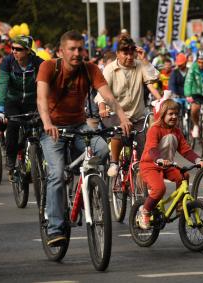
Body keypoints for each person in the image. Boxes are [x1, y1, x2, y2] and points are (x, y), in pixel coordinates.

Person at [36, 30, 132, 246]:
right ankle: (54, 228)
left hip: (79, 125)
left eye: (80, 48)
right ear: (61, 51)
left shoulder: (90, 69)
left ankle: (87, 185)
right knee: (57, 174)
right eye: (72, 49)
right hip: (53, 129)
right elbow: (41, 98)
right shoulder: (49, 67)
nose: (77, 53)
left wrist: (123, 117)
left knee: (103, 150)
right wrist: (47, 123)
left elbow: (108, 96)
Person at [94, 34, 161, 177]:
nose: (130, 57)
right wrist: (102, 107)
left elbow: (154, 77)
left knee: (145, 149)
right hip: (114, 115)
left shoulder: (140, 65)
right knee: (119, 131)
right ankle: (114, 162)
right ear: (118, 54)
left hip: (137, 116)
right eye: (125, 53)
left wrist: (144, 59)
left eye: (132, 53)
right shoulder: (110, 69)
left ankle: (144, 188)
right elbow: (102, 91)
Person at [138, 99, 203, 229]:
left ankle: (180, 205)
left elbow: (186, 150)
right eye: (170, 114)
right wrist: (158, 159)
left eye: (176, 114)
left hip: (167, 166)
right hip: (150, 165)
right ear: (163, 114)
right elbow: (152, 149)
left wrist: (198, 160)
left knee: (184, 176)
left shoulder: (177, 132)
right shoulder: (155, 129)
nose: (174, 117)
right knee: (159, 189)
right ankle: (145, 211)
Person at [0, 35, 44, 182]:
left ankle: (40, 160)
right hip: (13, 101)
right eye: (13, 48)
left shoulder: (39, 63)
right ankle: (11, 163)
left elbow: (49, 84)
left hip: (33, 101)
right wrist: (0, 107)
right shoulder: (8, 62)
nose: (14, 52)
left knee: (41, 128)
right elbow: (2, 84)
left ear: (28, 51)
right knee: (13, 126)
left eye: (18, 49)